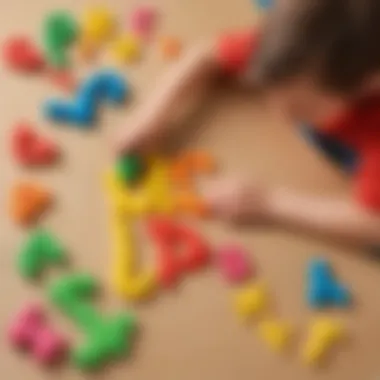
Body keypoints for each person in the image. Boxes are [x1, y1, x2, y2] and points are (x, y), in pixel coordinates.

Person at [115, 0, 380, 249]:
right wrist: (150, 115)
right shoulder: (304, 44)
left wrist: (268, 203)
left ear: (369, 84)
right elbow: (208, 53)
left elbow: (373, 223)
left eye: (302, 110)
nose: (280, 115)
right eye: (267, 92)